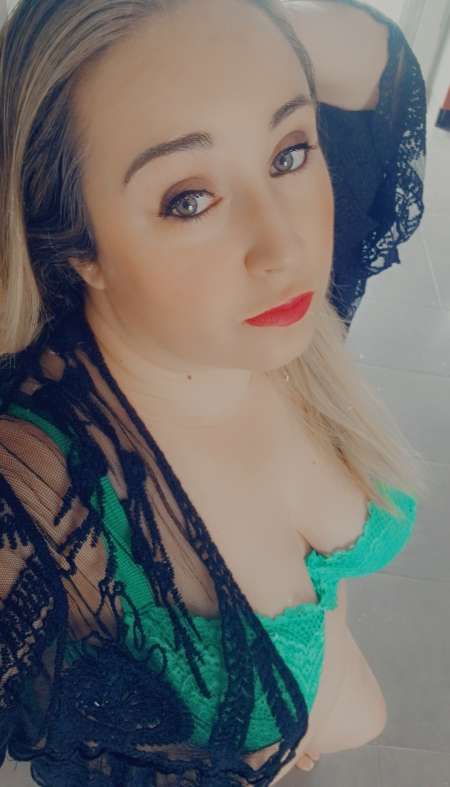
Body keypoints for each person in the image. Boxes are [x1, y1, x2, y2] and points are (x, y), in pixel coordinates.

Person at [0, 1, 428, 785]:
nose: (285, 246)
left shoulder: (276, 321)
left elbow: (383, 65)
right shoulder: (36, 486)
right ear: (78, 246)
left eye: (289, 151)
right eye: (188, 200)